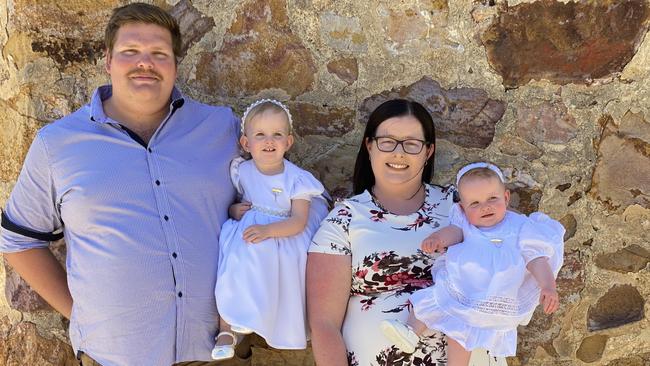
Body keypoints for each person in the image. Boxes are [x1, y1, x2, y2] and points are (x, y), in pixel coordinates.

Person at [0, 3, 241, 365]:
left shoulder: (223, 129)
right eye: (131, 52)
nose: (145, 62)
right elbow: (19, 241)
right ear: (108, 60)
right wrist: (81, 313)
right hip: (113, 357)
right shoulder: (58, 144)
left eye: (159, 53)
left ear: (175, 63)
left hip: (213, 354)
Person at [307, 99, 506, 366]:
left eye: (411, 144)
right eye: (387, 141)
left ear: (428, 152)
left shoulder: (461, 207)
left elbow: (504, 252)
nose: (398, 153)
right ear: (369, 146)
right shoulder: (344, 220)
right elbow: (324, 324)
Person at [380, 162, 564, 365]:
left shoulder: (521, 227)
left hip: (497, 291)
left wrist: (548, 286)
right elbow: (454, 232)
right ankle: (411, 332)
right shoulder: (465, 224)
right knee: (438, 301)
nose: (485, 206)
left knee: (462, 330)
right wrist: (438, 239)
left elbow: (536, 258)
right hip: (465, 284)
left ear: (506, 197)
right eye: (474, 203)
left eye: (492, 198)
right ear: (462, 208)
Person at [211, 99, 329, 360]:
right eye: (260, 135)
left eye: (277, 135)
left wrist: (269, 232)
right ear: (246, 143)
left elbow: (298, 221)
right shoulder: (242, 171)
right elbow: (235, 201)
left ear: (288, 142)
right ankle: (227, 329)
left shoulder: (297, 179)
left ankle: (254, 316)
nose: (269, 141)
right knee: (233, 257)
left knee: (263, 255)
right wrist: (233, 211)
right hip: (252, 227)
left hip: (284, 230)